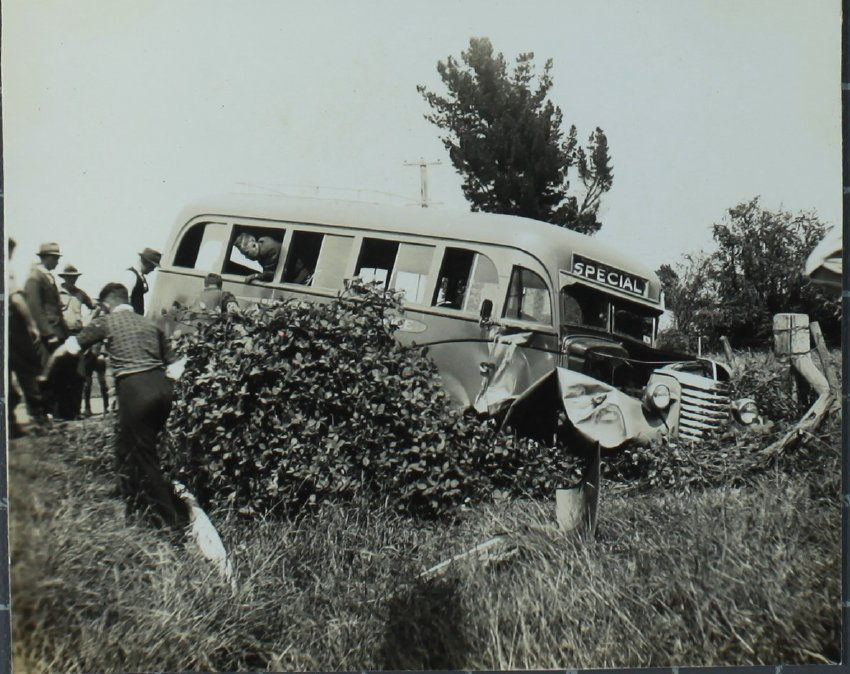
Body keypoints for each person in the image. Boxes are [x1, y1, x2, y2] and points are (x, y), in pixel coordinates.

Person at [48, 282, 189, 531]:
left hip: (135, 390)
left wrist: (45, 377)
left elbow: (69, 349)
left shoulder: (106, 322)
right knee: (126, 446)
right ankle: (130, 503)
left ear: (106, 304)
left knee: (144, 456)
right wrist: (160, 384)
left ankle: (171, 525)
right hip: (162, 388)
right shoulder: (150, 324)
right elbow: (176, 366)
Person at [7, 238, 46, 435]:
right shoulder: (6, 269)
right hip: (11, 326)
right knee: (27, 371)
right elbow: (16, 298)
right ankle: (38, 419)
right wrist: (31, 324)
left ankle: (10, 422)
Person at [57, 264, 95, 418]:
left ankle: (75, 411)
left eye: (75, 277)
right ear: (64, 278)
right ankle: (60, 413)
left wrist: (88, 320)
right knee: (61, 373)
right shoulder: (56, 292)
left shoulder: (80, 293)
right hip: (62, 336)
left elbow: (94, 306)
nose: (72, 280)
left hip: (78, 335)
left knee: (78, 375)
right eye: (69, 277)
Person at [24, 242, 67, 354]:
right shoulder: (35, 277)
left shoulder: (46, 276)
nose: (57, 262)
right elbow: (34, 308)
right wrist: (48, 333)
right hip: (47, 336)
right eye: (55, 258)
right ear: (47, 257)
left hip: (57, 333)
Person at [126, 247, 162, 315]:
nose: (152, 270)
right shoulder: (131, 275)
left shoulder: (140, 276)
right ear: (146, 263)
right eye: (152, 266)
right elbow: (126, 299)